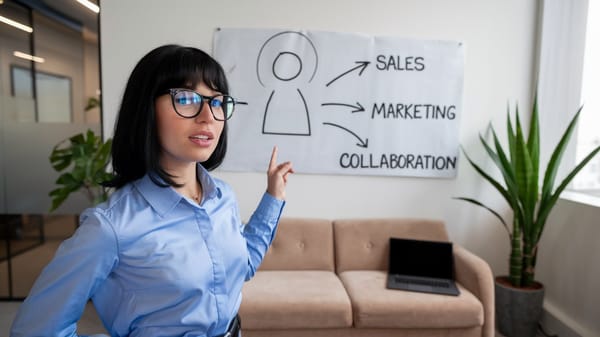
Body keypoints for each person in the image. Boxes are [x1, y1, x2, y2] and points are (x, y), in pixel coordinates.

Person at [10, 44, 294, 337]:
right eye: (186, 98)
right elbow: (36, 329)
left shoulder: (222, 197)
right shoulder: (111, 227)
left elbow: (243, 265)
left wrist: (273, 197)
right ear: (146, 109)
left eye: (218, 102)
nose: (208, 115)